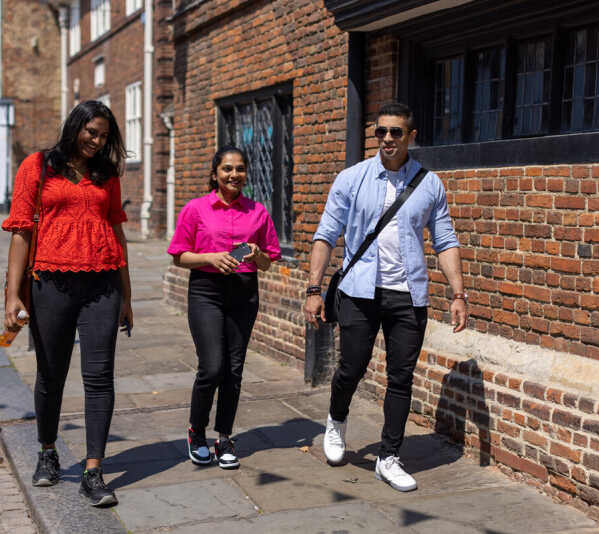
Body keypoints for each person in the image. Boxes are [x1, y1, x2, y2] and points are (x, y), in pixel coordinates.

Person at [304, 102, 468, 492]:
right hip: (359, 292)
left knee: (401, 377)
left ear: (412, 136)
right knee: (352, 368)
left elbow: (445, 240)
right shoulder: (352, 178)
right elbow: (326, 234)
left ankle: (389, 456)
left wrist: (458, 293)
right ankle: (336, 420)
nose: (388, 139)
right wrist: (314, 288)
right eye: (381, 132)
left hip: (408, 294)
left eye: (396, 132)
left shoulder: (430, 184)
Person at [2, 100, 132, 507]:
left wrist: (127, 296)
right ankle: (47, 452)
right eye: (91, 132)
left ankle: (94, 471)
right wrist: (11, 294)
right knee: (51, 374)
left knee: (99, 377)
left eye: (104, 136)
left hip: (102, 286)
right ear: (75, 126)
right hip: (50, 284)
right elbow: (21, 231)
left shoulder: (107, 175)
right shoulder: (38, 167)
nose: (97, 141)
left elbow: (117, 233)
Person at [168, 146, 281, 469]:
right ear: (215, 173)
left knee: (233, 370)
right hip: (206, 291)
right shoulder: (195, 209)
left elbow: (268, 262)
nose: (234, 175)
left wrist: (257, 253)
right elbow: (178, 255)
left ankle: (225, 436)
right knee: (212, 366)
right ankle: (196, 430)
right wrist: (210, 258)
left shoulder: (257, 212)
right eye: (227, 169)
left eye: (240, 169)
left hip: (244, 292)